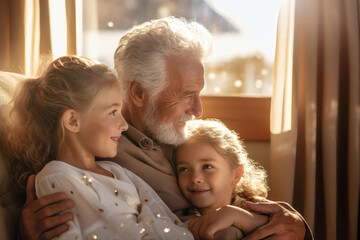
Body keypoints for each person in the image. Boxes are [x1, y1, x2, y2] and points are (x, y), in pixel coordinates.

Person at [18, 17, 313, 240]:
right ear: (138, 93)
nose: (198, 110)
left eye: (200, 94)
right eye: (187, 94)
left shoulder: (184, 137)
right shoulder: (103, 150)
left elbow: (235, 188)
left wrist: (292, 221)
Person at [0, 56, 193, 239]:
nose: (124, 125)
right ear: (73, 121)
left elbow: (162, 216)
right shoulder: (57, 176)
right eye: (112, 112)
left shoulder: (116, 171)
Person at [176, 118, 269, 239]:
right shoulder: (177, 219)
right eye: (184, 169)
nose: (195, 178)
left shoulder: (259, 211)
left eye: (207, 166)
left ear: (236, 174)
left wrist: (237, 216)